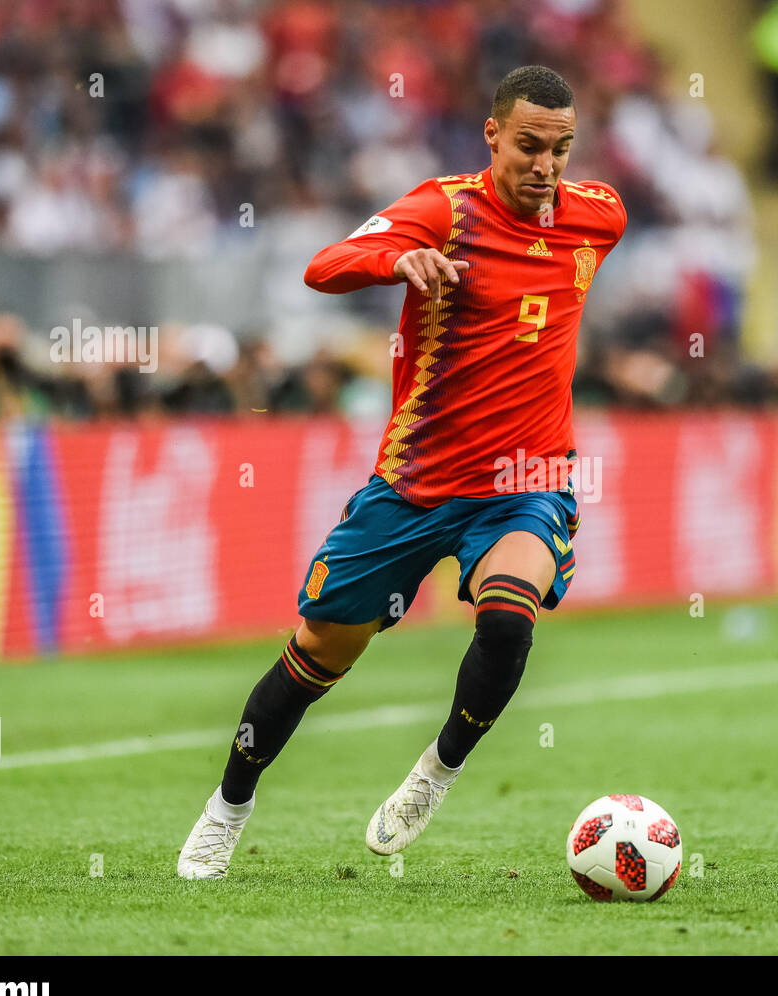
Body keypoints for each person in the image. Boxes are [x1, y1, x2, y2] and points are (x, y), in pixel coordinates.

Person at [178, 65, 627, 877]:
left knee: (506, 619)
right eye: (529, 145)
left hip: (528, 481)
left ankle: (438, 769)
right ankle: (228, 805)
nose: (545, 165)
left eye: (561, 149)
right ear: (493, 135)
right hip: (416, 483)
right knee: (318, 652)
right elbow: (325, 264)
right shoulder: (444, 209)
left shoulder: (600, 217)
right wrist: (398, 261)